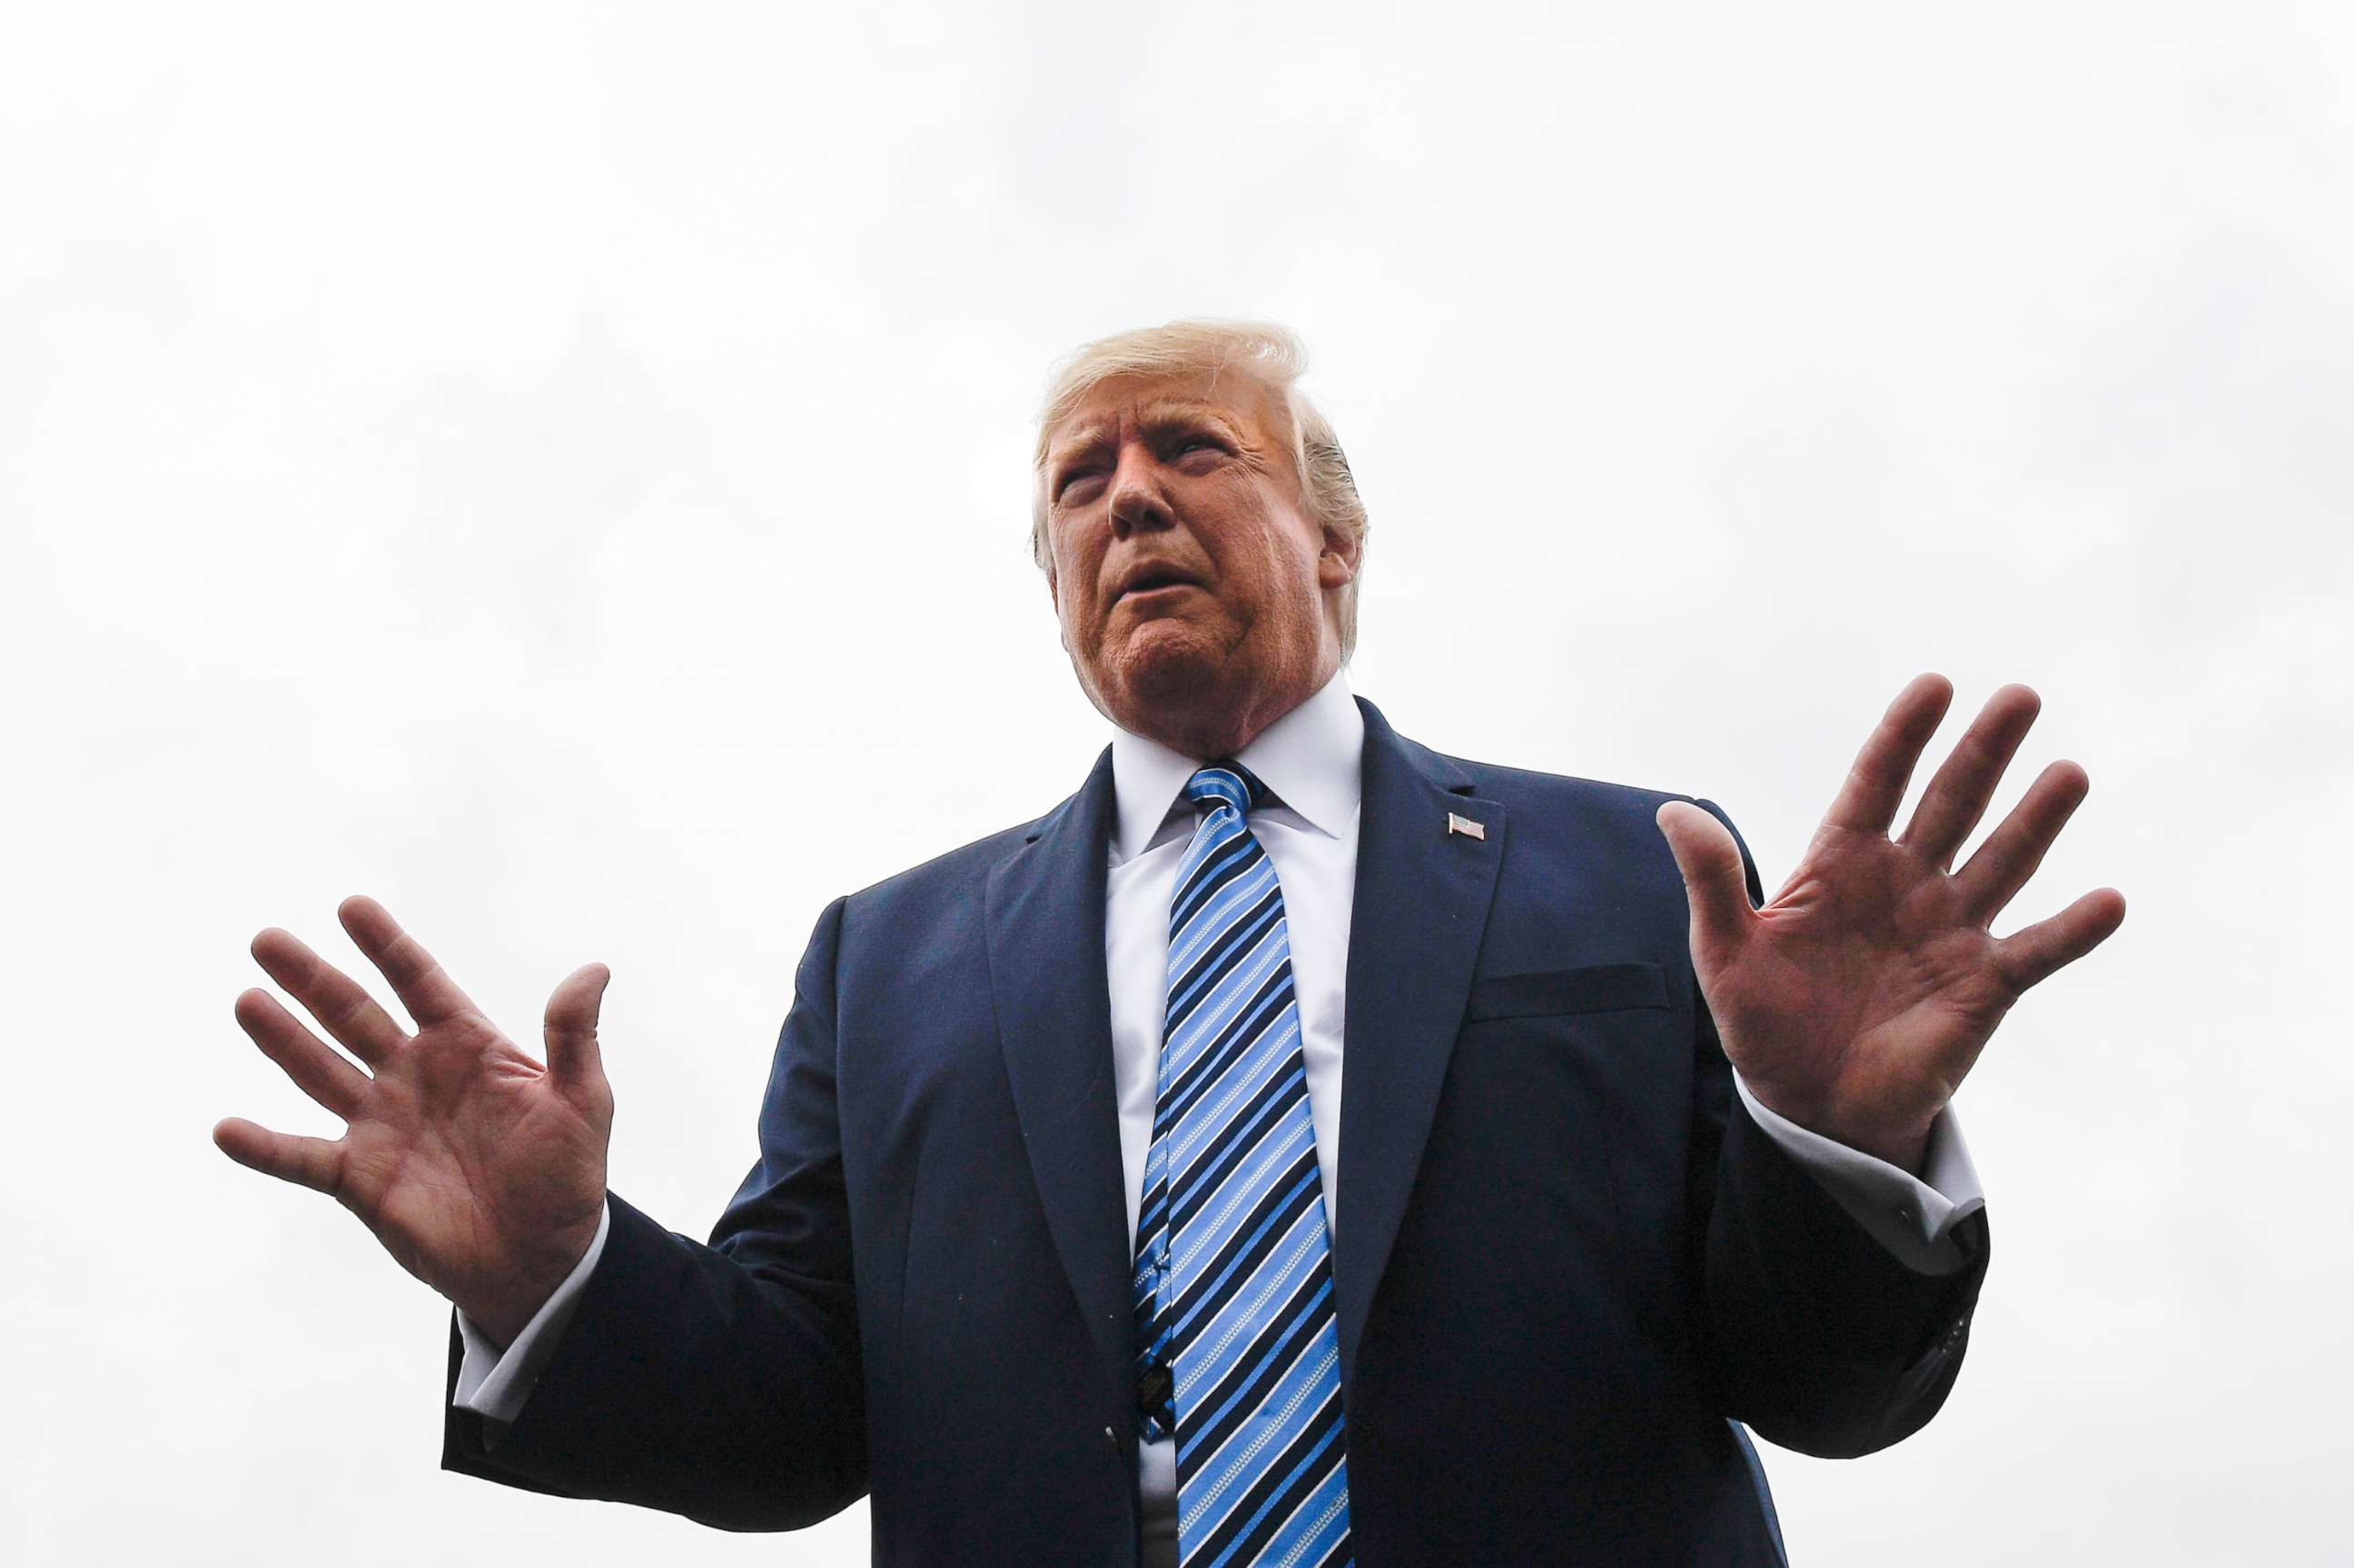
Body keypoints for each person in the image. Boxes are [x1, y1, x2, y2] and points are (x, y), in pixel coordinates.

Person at [215, 320, 2125, 1567]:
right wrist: (566, 1279)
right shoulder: (887, 966)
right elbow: (796, 1421)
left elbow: (1825, 1380)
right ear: (1053, 588)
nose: (1127, 494)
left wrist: (1835, 1151)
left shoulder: (1638, 874)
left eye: (1192, 451)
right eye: (1078, 482)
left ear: (1336, 545)